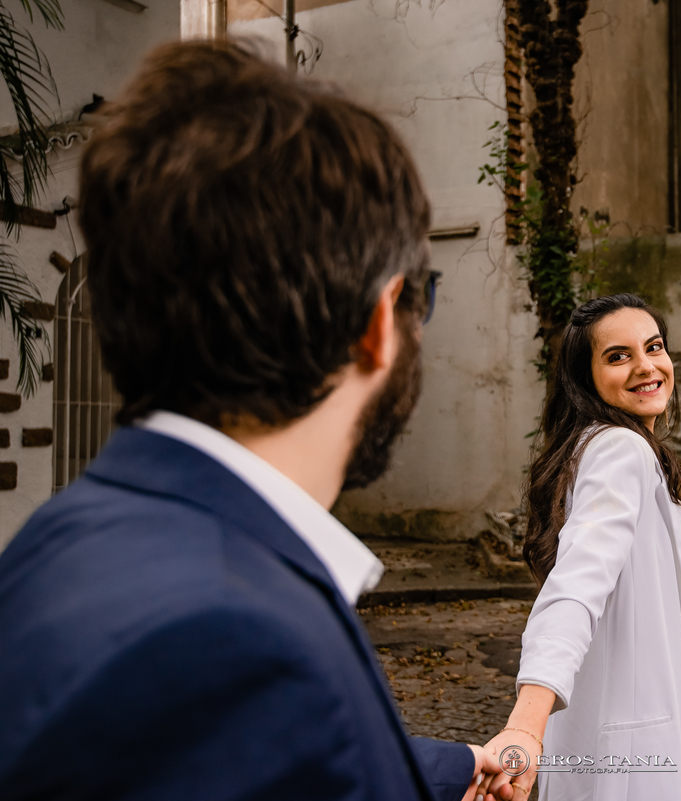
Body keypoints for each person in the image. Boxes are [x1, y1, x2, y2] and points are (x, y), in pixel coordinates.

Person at [0, 42, 497, 801]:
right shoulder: (240, 647)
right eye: (419, 296)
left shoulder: (65, 535)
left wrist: (446, 766)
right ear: (377, 321)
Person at [481, 294, 681, 801]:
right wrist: (527, 721)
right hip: (646, 722)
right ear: (587, 377)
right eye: (618, 355)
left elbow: (631, 574)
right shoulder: (620, 449)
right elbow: (579, 581)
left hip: (680, 694)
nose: (647, 367)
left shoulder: (611, 446)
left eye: (654, 347)